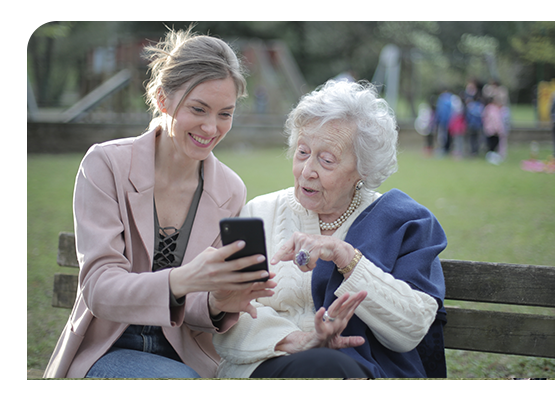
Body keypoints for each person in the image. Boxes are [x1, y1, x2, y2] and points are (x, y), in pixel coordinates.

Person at [43, 27, 276, 379]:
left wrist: (217, 301)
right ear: (161, 98)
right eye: (198, 109)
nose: (211, 128)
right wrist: (182, 279)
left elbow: (197, 305)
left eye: (225, 113)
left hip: (187, 357)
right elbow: (99, 288)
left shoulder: (230, 188)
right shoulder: (105, 165)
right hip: (107, 349)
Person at [213, 80, 448, 379]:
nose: (307, 170)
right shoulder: (259, 213)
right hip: (265, 366)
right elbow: (228, 309)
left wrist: (347, 257)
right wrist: (295, 340)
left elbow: (412, 328)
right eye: (302, 152)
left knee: (330, 369)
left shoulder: (403, 222)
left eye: (326, 160)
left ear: (363, 169)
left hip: (358, 372)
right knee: (324, 367)